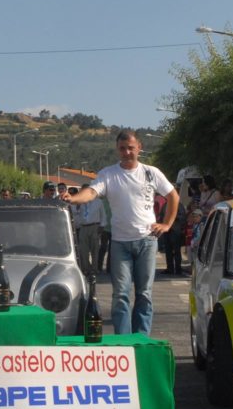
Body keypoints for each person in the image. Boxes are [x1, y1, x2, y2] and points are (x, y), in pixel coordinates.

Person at [62, 131, 177, 336]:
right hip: (120, 243)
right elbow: (91, 192)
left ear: (139, 147)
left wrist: (167, 224)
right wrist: (73, 198)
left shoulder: (151, 172)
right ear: (118, 149)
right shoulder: (108, 174)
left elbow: (173, 196)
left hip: (147, 241)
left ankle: (141, 338)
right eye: (122, 148)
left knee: (144, 294)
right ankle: (124, 339)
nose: (127, 152)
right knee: (121, 294)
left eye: (131, 148)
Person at [73, 185, 104, 278]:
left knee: (95, 250)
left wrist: (102, 226)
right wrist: (78, 205)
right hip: (83, 227)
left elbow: (103, 215)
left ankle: (94, 269)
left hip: (94, 226)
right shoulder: (80, 202)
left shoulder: (99, 202)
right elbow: (75, 213)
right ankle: (86, 268)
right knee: (83, 250)